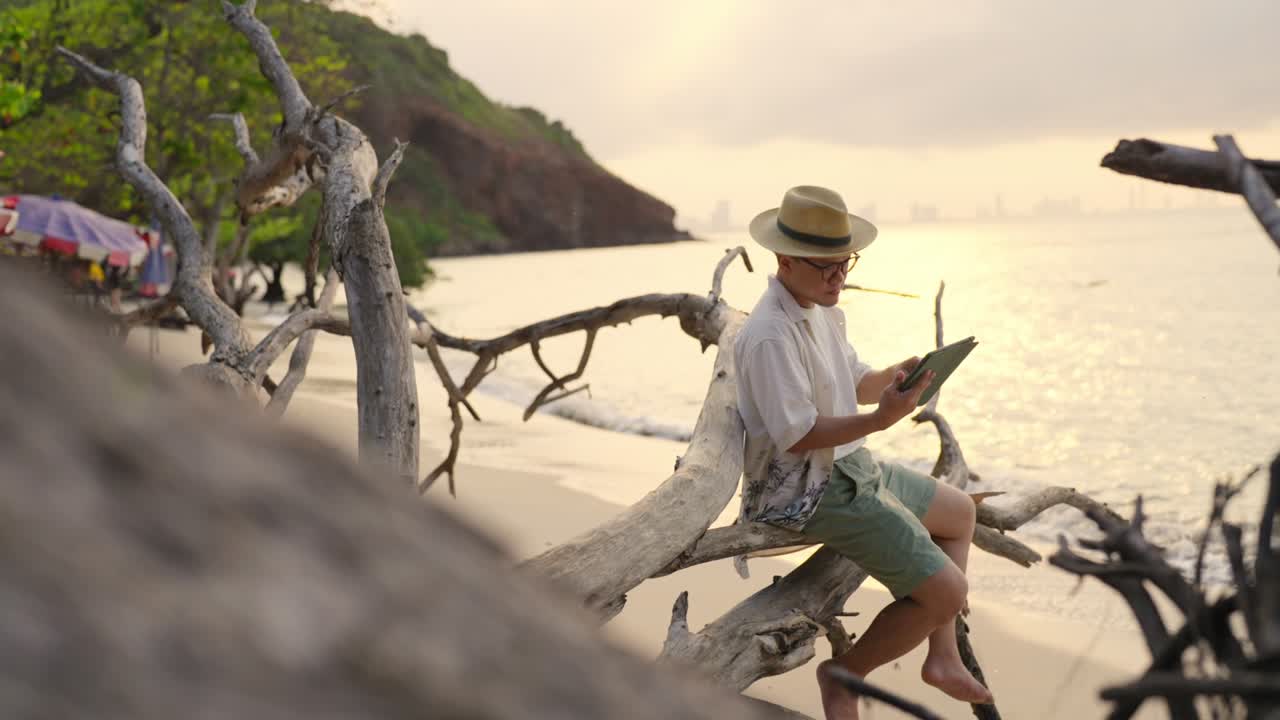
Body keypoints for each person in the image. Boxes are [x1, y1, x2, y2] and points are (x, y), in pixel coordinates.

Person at [734, 185, 992, 720]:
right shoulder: (769, 334)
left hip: (850, 466)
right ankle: (845, 674)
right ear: (784, 260)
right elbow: (796, 434)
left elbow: (853, 378)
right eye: (825, 266)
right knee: (947, 591)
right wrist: (881, 419)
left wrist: (893, 379)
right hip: (807, 488)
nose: (839, 276)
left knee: (960, 512)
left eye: (845, 262)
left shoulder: (824, 309)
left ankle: (941, 655)